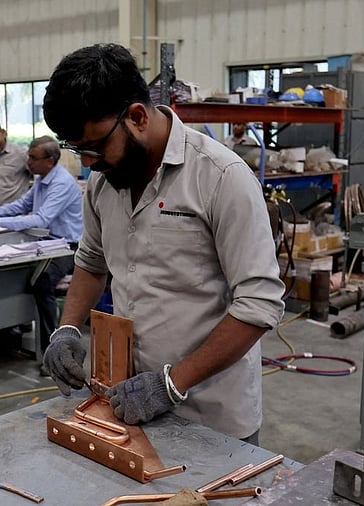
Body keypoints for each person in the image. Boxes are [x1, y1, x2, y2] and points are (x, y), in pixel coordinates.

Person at [41, 44, 285, 443]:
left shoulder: (221, 177)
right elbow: (91, 261)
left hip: (213, 418)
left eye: (95, 147)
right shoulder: (104, 181)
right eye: (77, 150)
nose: (88, 163)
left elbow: (259, 304)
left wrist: (170, 384)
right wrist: (66, 329)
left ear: (137, 116)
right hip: (126, 404)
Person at [0, 135, 83, 370]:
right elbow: (21, 206)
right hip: (44, 243)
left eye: (33, 158)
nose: (28, 162)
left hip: (66, 247)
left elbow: (42, 218)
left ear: (50, 160)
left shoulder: (61, 183)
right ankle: (7, 332)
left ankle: (52, 353)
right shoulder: (42, 180)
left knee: (43, 282)